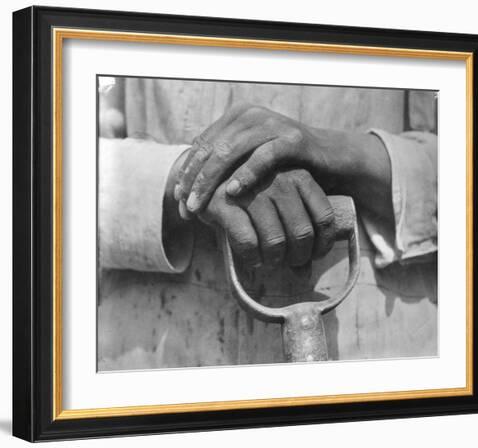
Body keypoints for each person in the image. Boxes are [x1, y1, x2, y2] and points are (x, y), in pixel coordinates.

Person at [98, 77, 438, 370]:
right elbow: (59, 163)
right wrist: (192, 175)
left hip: (380, 344)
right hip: (159, 350)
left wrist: (337, 153)